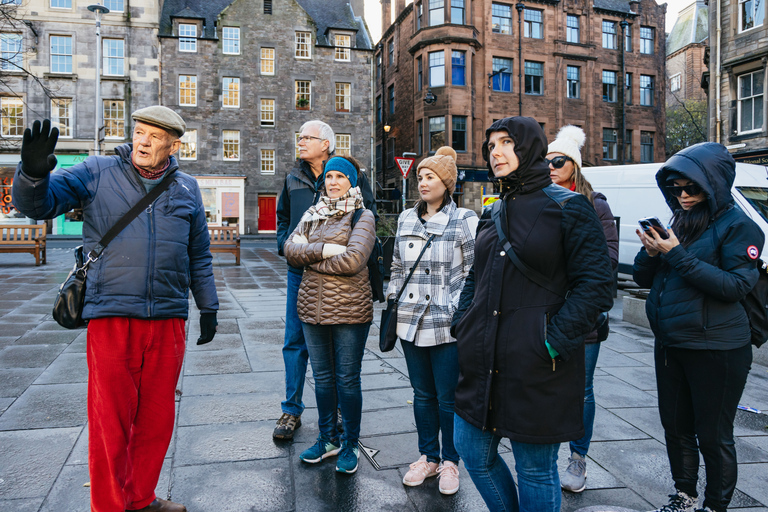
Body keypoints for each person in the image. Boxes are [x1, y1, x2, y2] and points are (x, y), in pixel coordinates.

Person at [12, 108, 218, 512]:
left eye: (154, 137)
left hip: (168, 318)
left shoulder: (188, 188)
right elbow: (39, 205)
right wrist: (33, 174)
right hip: (111, 316)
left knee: (157, 420)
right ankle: (108, 505)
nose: (142, 141)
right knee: (111, 421)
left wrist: (207, 305)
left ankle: (140, 498)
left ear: (174, 146)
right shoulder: (96, 170)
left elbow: (199, 254)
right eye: (139, 132)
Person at [450, 116, 614, 512]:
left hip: (539, 364)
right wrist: (464, 321)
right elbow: (476, 274)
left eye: (507, 143)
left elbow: (596, 287)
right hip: (483, 354)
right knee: (471, 450)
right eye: (491, 146)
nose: (496, 152)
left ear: (531, 149)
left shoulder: (570, 207)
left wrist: (552, 342)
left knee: (536, 470)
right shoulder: (494, 211)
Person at [633, 142, 763, 512]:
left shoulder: (741, 227)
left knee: (713, 435)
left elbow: (735, 286)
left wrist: (676, 254)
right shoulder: (681, 222)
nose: (683, 195)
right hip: (673, 343)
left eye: (691, 188)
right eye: (675, 188)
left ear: (714, 185)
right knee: (675, 428)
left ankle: (715, 505)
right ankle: (684, 495)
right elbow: (644, 278)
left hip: (718, 348)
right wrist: (652, 251)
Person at [274, 120, 376, 440]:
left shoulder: (352, 176)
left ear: (326, 144)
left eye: (307, 138)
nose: (301, 142)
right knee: (295, 342)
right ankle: (291, 409)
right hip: (299, 276)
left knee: (338, 350)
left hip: (343, 281)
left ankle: (340, 412)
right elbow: (284, 224)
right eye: (299, 137)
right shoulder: (293, 178)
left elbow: (366, 220)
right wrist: (286, 246)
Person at [387, 146, 478, 495]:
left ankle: (450, 462)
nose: (423, 183)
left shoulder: (465, 220)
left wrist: (456, 308)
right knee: (421, 394)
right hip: (410, 320)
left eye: (431, 177)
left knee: (448, 397)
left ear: (447, 183)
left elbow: (474, 272)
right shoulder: (405, 219)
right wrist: (395, 297)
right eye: (421, 177)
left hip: (446, 322)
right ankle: (428, 456)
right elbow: (397, 266)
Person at [546, 125, 619, 493]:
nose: (550, 167)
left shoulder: (595, 205)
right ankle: (545, 455)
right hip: (546, 314)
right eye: (545, 162)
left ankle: (578, 458)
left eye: (557, 161)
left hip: (584, 317)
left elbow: (606, 264)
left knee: (582, 390)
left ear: (573, 165)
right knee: (548, 388)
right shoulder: (542, 202)